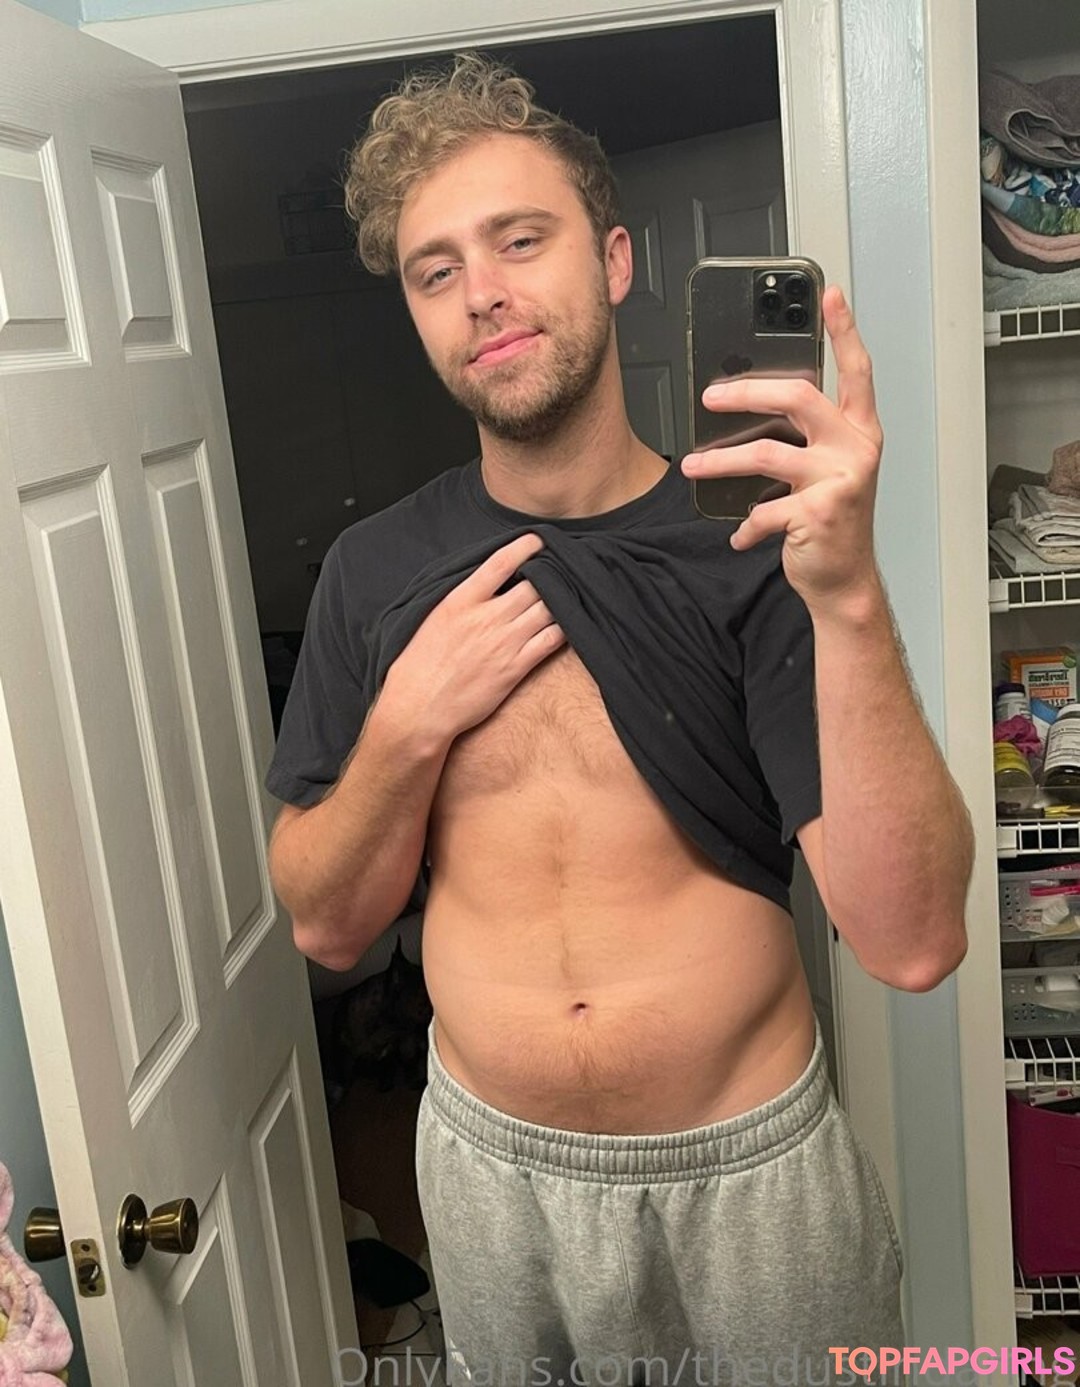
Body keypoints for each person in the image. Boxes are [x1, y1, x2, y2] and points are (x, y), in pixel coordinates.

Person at [266, 53, 974, 1384]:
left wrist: (849, 594)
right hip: (492, 1181)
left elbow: (916, 942)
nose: (481, 291)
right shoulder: (373, 574)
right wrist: (407, 726)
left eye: (519, 240)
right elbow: (325, 924)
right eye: (434, 270)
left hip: (749, 1184)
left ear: (615, 261)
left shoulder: (759, 548)